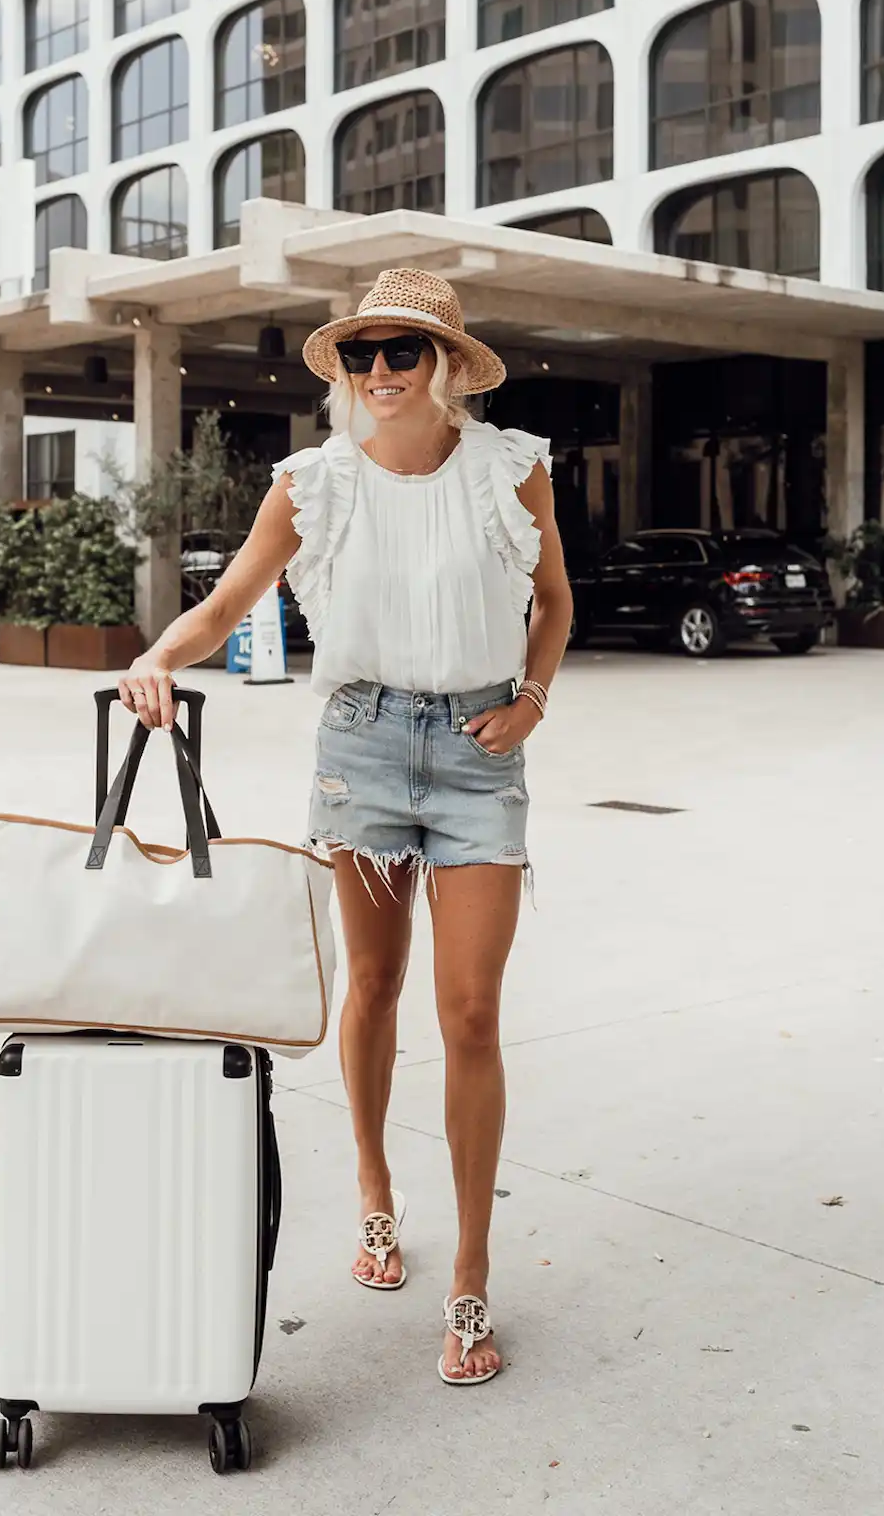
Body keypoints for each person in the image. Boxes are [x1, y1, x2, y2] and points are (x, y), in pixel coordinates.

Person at [117, 268, 573, 1386]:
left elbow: (554, 601)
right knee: (370, 987)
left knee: (471, 1012)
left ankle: (471, 1274)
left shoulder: (509, 470)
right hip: (361, 749)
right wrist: (158, 655)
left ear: (447, 366)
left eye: (402, 351)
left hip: (478, 755)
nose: (379, 371)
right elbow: (230, 603)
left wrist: (531, 699)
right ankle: (375, 1192)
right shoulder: (312, 485)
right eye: (363, 353)